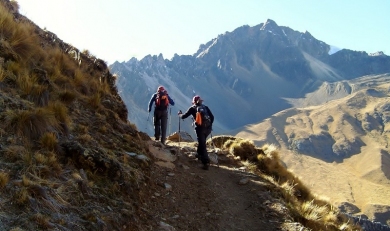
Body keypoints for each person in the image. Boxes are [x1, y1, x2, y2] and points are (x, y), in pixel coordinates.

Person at [178, 95, 214, 170]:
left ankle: (206, 162)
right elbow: (212, 117)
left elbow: (184, 116)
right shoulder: (205, 107)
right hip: (208, 129)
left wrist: (179, 114)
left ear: (194, 101)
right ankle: (199, 155)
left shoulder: (193, 108)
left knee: (202, 144)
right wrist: (209, 125)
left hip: (200, 129)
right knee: (202, 142)